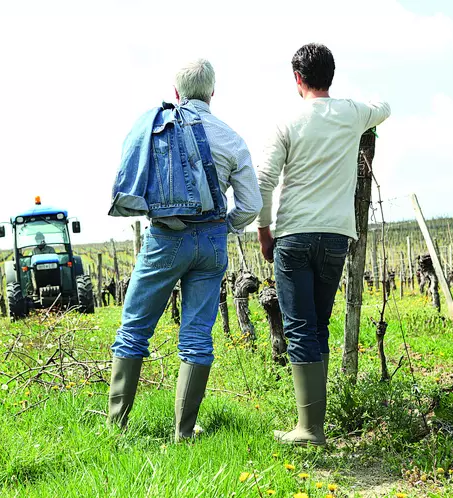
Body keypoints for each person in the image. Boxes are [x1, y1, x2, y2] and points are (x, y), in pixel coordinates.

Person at [108, 59, 263, 441]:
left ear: (176, 92)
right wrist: (225, 226)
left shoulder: (157, 127)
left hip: (165, 239)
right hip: (211, 242)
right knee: (197, 336)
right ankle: (185, 431)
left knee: (133, 330)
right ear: (213, 91)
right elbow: (251, 204)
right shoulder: (231, 137)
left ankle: (116, 428)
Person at [256, 43, 391, 446]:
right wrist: (364, 105)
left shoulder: (286, 121)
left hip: (294, 235)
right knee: (318, 326)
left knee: (299, 327)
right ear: (330, 75)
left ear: (298, 78)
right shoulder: (352, 113)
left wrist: (264, 231)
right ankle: (315, 424)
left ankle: (309, 429)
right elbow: (383, 105)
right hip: (336, 236)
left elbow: (264, 180)